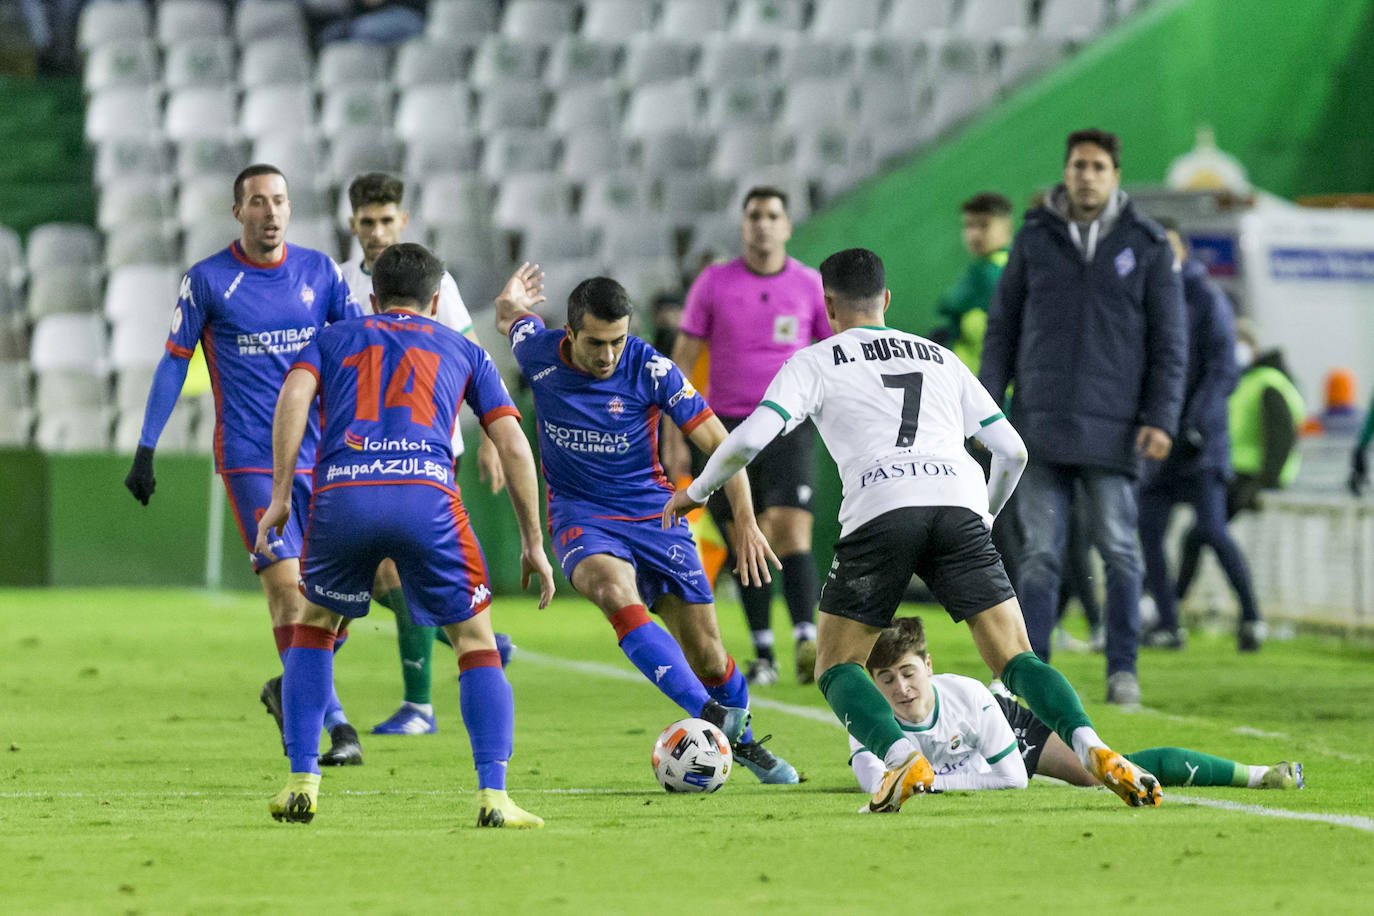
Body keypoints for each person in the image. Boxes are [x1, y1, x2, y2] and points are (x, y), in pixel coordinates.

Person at [666, 248, 1162, 812]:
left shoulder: (814, 360)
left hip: (881, 507)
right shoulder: (940, 357)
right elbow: (1012, 451)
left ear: (827, 304)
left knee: (835, 664)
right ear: (887, 299)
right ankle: (1091, 743)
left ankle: (901, 759)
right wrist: (984, 517)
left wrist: (696, 490)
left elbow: (752, 439)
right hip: (959, 504)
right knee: (1015, 657)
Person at [254, 243, 555, 827]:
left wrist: (282, 494)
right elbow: (514, 443)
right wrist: (533, 541)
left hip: (343, 494)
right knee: (475, 643)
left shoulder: (333, 337)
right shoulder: (464, 348)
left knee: (314, 629)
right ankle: (494, 796)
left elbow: (292, 397)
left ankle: (300, 783)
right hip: (427, 497)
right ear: (437, 299)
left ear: (371, 296)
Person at [496, 266, 800, 785]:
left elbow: (722, 446)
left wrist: (745, 520)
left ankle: (740, 737)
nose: (608, 355)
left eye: (618, 340)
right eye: (595, 343)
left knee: (708, 655)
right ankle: (709, 719)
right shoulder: (538, 351)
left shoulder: (650, 368)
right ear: (569, 334)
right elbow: (510, 318)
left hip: (654, 514)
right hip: (580, 514)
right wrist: (511, 298)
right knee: (614, 591)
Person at [124, 164, 367, 766]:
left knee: (339, 596)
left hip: (326, 458)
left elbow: (362, 353)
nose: (271, 212)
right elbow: (174, 361)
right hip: (253, 460)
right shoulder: (208, 280)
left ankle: (291, 686)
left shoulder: (321, 274)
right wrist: (146, 446)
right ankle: (335, 725)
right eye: (258, 202)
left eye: (280, 200)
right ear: (238, 211)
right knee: (288, 589)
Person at [980, 127, 1187, 705]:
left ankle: (1123, 670)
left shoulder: (1146, 245)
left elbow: (1171, 343)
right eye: (1078, 165)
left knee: (1121, 553)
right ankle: (1032, 676)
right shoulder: (1034, 239)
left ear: (1115, 175)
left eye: (1098, 166)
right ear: (1065, 172)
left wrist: (1161, 418)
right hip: (1038, 429)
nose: (1087, 175)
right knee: (1039, 557)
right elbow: (1002, 331)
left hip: (1116, 430)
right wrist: (987, 409)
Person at [340, 172, 512, 737]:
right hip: (361, 451)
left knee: (393, 567)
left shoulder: (437, 284)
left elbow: (469, 354)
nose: (378, 231)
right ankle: (467, 635)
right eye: (368, 222)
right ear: (353, 225)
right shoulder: (339, 283)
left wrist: (489, 435)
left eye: (387, 220)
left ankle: (419, 706)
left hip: (430, 447)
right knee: (378, 580)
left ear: (403, 221)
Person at [666, 187, 832, 687]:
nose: (763, 224)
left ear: (786, 226)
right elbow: (682, 357)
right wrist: (674, 432)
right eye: (754, 215)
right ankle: (764, 652)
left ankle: (806, 638)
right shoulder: (714, 283)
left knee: (788, 529)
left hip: (788, 426)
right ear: (743, 226)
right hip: (725, 430)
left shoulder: (808, 284)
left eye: (773, 215)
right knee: (743, 536)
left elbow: (831, 354)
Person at [847, 617, 1304, 796]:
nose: (901, 688)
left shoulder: (966, 698)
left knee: (1094, 774)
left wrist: (932, 787)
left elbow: (1012, 779)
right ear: (871, 682)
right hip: (961, 749)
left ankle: (1257, 774)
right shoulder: (866, 716)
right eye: (886, 679)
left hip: (992, 724)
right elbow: (877, 787)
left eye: (909, 673)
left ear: (928, 665)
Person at [1137, 220, 1263, 652]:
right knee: (1147, 531)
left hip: (1199, 442)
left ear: (1185, 251)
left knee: (1211, 530)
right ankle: (1168, 624)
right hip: (1160, 442)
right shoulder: (1144, 298)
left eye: (1168, 247)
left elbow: (1222, 370)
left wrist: (1192, 422)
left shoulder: (1207, 299)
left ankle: (1251, 616)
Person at [1178, 322, 1304, 612]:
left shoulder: (1266, 383)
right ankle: (1173, 603)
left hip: (1252, 478)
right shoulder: (1246, 380)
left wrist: (1261, 483)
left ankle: (1243, 611)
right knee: (1200, 534)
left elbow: (1281, 438)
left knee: (1205, 533)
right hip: (1236, 475)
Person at [931, 191, 1013, 375]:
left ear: (1006, 227)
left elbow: (948, 303)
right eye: (968, 226)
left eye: (984, 226)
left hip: (983, 387)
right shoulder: (1017, 262)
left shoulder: (986, 271)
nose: (974, 235)